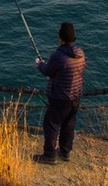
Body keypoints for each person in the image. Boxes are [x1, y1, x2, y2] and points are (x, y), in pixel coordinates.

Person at [33, 21, 86, 165]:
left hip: (60, 98)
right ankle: (65, 152)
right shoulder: (80, 54)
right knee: (69, 125)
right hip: (76, 96)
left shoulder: (58, 56)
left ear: (60, 37)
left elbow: (47, 71)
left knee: (51, 124)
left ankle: (49, 155)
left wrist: (39, 64)